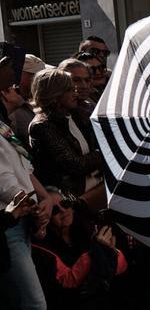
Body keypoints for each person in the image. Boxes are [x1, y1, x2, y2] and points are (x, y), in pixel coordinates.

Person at [0, 62, 74, 310]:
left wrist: (45, 201)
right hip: (10, 224)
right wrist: (37, 207)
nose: (17, 90)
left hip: (21, 222)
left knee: (12, 307)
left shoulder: (4, 128)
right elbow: (7, 186)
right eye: (11, 86)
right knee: (32, 304)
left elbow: (25, 173)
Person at [31, 191, 132, 310]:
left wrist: (105, 252)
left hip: (100, 309)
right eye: (54, 210)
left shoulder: (89, 226)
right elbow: (67, 280)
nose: (63, 211)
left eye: (66, 204)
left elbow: (121, 265)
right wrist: (97, 252)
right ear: (43, 214)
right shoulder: (41, 244)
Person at [27, 68, 105, 210]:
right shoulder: (42, 126)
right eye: (70, 90)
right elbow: (75, 164)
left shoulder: (76, 115)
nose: (76, 93)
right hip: (69, 202)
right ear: (54, 94)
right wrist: (106, 152)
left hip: (95, 190)